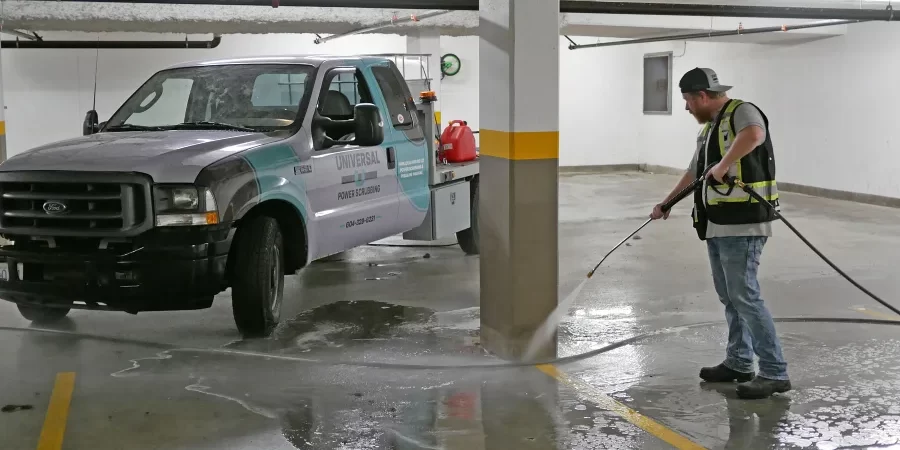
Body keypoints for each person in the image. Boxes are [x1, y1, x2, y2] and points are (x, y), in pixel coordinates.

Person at [650, 67, 791, 400]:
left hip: (744, 222)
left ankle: (774, 372)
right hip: (718, 222)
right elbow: (694, 171)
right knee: (731, 297)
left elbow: (754, 135)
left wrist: (725, 163)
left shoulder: (742, 111)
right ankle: (740, 363)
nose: (686, 108)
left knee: (745, 296)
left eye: (687, 100)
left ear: (702, 95)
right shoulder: (710, 129)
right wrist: (667, 203)